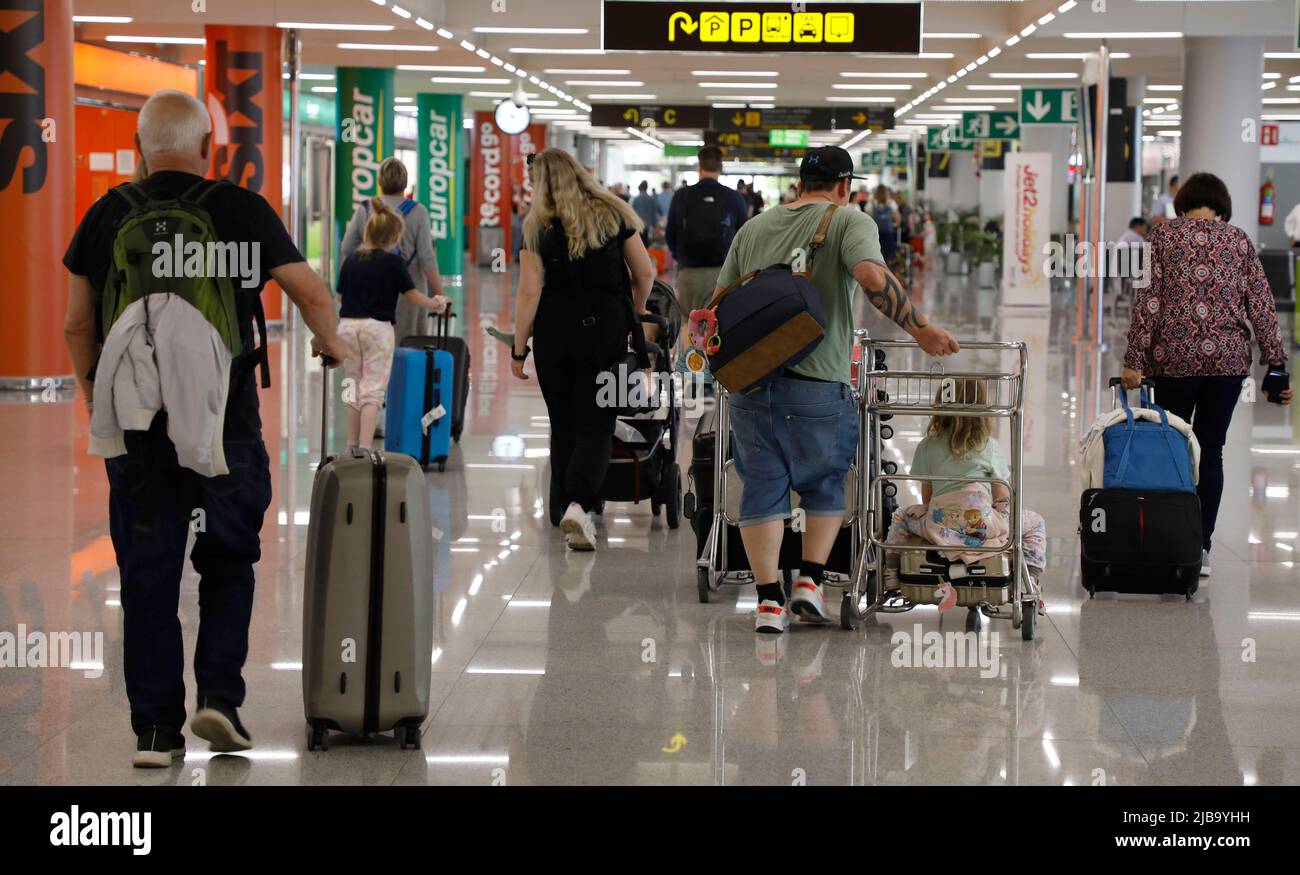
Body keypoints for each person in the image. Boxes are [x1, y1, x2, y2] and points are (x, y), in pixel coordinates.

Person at [62, 89, 349, 767]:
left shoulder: (105, 215)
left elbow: (77, 322)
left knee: (147, 571)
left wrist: (91, 389)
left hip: (137, 423)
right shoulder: (239, 208)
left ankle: (156, 734)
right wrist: (329, 342)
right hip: (226, 420)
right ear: (207, 148)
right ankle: (219, 696)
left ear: (139, 148)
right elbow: (309, 292)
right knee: (229, 556)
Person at [713, 145, 959, 634]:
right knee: (824, 482)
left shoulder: (754, 226)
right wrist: (920, 329)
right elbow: (871, 278)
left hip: (751, 382)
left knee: (762, 487)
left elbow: (718, 301)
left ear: (800, 182)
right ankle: (808, 581)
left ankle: (766, 603)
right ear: (845, 185)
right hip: (818, 383)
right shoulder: (849, 221)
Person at [1122, 171, 1292, 577]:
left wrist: (1134, 360)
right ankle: (1201, 548)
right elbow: (1262, 307)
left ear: (1183, 202)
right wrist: (1277, 366)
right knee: (1211, 449)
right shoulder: (1238, 241)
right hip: (1227, 365)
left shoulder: (1161, 238)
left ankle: (1171, 540)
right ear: (1222, 205)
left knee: (1174, 447)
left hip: (1174, 361)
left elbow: (1148, 302)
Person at [510, 149, 655, 550]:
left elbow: (528, 292)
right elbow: (644, 272)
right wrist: (639, 309)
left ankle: (563, 508)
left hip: (554, 334)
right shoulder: (614, 213)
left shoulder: (536, 225)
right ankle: (579, 504)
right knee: (596, 422)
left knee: (565, 424)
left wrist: (519, 349)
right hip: (604, 331)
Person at [883, 379, 1048, 588]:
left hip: (940, 525)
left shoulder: (927, 445)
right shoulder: (988, 445)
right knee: (1035, 522)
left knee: (900, 516)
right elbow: (1000, 495)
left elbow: (927, 496)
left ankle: (891, 572)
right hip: (982, 526)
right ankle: (1030, 576)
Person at [337, 198, 451, 450]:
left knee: (352, 389)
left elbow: (340, 296)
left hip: (346, 328)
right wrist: (435, 303)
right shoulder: (394, 263)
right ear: (396, 237)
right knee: (373, 392)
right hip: (377, 329)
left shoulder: (351, 261)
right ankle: (365, 450)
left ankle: (350, 445)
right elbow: (412, 295)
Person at [340, 157, 446, 343]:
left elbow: (347, 247)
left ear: (380, 181)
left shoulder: (366, 208)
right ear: (404, 182)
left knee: (372, 344)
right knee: (409, 342)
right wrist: (440, 295)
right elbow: (426, 257)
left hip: (370, 286)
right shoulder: (418, 211)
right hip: (409, 287)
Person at [665, 146, 750, 377]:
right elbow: (744, 234)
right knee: (719, 321)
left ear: (699, 166)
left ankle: (691, 373)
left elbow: (670, 233)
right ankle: (716, 372)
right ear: (721, 168)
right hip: (723, 273)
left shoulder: (682, 196)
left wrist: (680, 257)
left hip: (689, 271)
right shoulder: (733, 198)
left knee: (687, 321)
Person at [872, 184, 900, 268]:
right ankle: (889, 276)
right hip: (888, 234)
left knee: (876, 257)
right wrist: (893, 225)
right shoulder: (891, 203)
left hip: (875, 233)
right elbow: (898, 219)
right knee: (889, 257)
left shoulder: (872, 203)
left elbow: (868, 217)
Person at [631, 180, 663, 246]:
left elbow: (632, 213)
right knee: (647, 244)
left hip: (638, 225)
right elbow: (654, 213)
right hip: (648, 226)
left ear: (640, 188)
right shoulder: (651, 199)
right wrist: (654, 225)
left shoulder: (635, 199)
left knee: (639, 244)